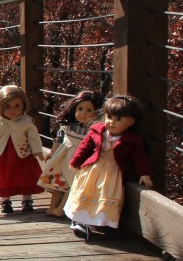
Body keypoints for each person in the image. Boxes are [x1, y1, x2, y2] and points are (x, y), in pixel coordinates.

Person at [65, 93, 153, 239]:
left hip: (112, 172)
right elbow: (84, 147)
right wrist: (76, 161)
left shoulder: (132, 140)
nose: (112, 122)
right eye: (109, 117)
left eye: (118, 119)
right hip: (93, 168)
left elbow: (140, 158)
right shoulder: (97, 130)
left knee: (105, 194)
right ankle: (80, 220)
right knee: (84, 191)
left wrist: (144, 173)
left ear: (131, 122)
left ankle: (97, 221)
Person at [0, 84, 44, 215]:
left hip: (23, 155)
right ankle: (5, 201)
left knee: (26, 176)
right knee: (4, 177)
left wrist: (37, 150)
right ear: (0, 107)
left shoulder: (25, 122)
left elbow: (33, 136)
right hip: (4, 155)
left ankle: (27, 200)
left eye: (17, 106)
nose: (12, 110)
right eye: (8, 106)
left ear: (23, 106)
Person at [38, 90, 102, 216]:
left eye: (89, 110)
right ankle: (52, 207)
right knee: (57, 183)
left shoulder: (93, 129)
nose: (83, 113)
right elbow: (58, 139)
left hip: (80, 159)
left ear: (96, 112)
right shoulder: (67, 125)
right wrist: (51, 153)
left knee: (72, 184)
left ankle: (61, 209)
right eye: (80, 109)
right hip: (62, 157)